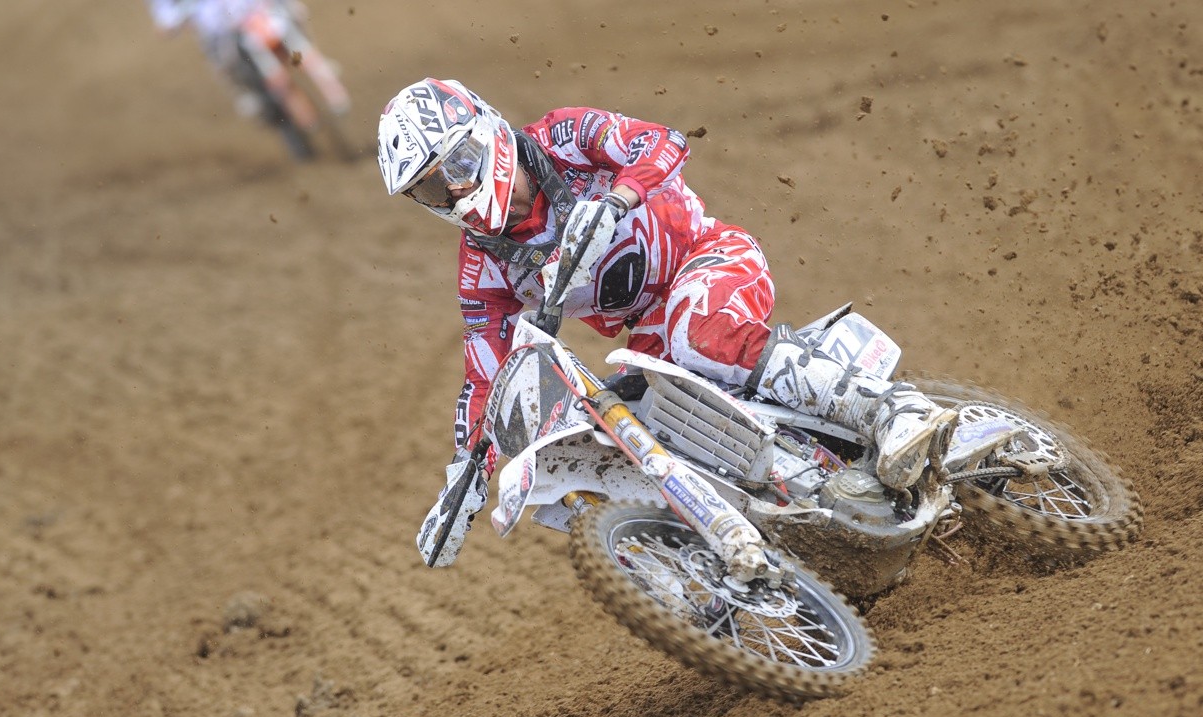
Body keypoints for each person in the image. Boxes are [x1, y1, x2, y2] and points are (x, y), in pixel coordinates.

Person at [377, 78, 957, 566]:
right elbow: (486, 375)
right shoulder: (481, 268)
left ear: (486, 134)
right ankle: (781, 537)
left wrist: (618, 200)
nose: (454, 191)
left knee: (693, 332)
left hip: (710, 257)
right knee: (628, 431)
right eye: (431, 187)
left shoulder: (562, 138)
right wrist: (464, 477)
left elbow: (661, 141)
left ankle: (890, 408)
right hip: (649, 333)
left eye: (458, 165)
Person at [145, 0, 333, 160]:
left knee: (295, 16)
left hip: (259, 9)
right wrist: (173, 20)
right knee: (236, 73)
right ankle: (264, 107)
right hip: (221, 32)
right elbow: (165, 16)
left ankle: (321, 74)